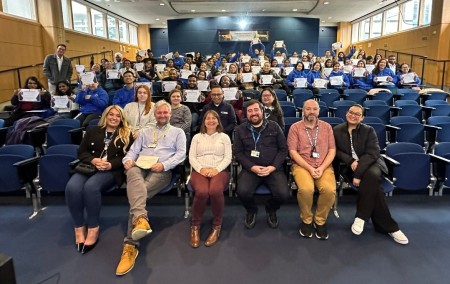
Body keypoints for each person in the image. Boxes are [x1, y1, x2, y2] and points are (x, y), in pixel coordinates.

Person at [115, 100, 186, 276]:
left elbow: (180, 154)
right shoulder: (145, 132)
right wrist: (128, 160)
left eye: (165, 113)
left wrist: (164, 165)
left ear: (170, 114)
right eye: (159, 113)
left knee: (138, 194)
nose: (162, 115)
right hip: (140, 165)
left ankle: (130, 246)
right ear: (155, 115)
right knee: (131, 172)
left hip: (161, 170)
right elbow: (133, 151)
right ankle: (141, 219)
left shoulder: (178, 132)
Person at [333, 104, 409, 245]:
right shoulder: (337, 130)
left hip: (372, 164)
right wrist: (350, 161)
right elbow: (336, 151)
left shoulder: (369, 131)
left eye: (357, 114)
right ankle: (390, 227)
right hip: (350, 167)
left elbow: (373, 153)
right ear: (346, 113)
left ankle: (361, 216)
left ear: (362, 118)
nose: (353, 115)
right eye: (351, 112)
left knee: (372, 176)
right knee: (374, 187)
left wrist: (358, 174)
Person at [66, 105, 133, 254]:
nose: (114, 118)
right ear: (105, 115)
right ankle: (79, 227)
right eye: (111, 114)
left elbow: (128, 156)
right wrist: (94, 160)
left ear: (122, 119)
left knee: (91, 188)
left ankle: (93, 228)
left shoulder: (126, 134)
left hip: (112, 170)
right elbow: (81, 152)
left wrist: (111, 164)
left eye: (118, 116)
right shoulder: (92, 131)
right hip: (89, 166)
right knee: (72, 187)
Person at [233, 100, 289, 229]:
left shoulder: (274, 126)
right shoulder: (240, 129)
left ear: (262, 111)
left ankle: (271, 209)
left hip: (273, 168)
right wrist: (252, 167)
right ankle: (251, 210)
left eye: (256, 110)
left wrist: (273, 167)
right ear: (246, 114)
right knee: (242, 192)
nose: (254, 113)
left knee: (283, 194)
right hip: (251, 169)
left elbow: (283, 149)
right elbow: (238, 152)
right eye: (250, 111)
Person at [287, 99, 336, 240]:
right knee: (306, 189)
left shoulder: (327, 127)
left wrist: (321, 167)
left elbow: (332, 150)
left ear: (319, 111)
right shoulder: (295, 128)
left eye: (314, 109)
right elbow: (293, 152)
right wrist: (309, 167)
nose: (311, 112)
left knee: (329, 190)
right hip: (302, 165)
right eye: (308, 109)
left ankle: (320, 221)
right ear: (303, 110)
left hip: (324, 165)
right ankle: (307, 220)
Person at [189, 110, 232, 248]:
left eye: (214, 118)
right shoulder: (197, 137)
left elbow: (228, 158)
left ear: (218, 121)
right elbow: (191, 157)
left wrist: (216, 169)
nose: (211, 120)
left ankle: (216, 226)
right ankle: (195, 226)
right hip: (199, 170)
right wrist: (201, 169)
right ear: (204, 121)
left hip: (219, 170)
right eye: (208, 118)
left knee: (214, 191)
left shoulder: (224, 137)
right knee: (201, 192)